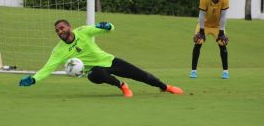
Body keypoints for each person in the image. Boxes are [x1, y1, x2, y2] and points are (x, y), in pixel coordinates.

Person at [19, 19, 183, 97]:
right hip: (94, 72)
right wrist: (34, 79)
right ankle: (122, 86)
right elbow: (48, 68)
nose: (60, 31)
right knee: (96, 74)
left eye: (61, 28)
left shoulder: (83, 31)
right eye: (57, 30)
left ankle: (165, 87)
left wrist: (107, 25)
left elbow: (108, 29)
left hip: (109, 61)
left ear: (69, 27)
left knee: (141, 75)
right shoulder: (58, 51)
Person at [190, 0, 229, 79]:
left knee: (222, 43)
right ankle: (193, 71)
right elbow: (201, 16)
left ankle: (225, 72)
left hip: (217, 26)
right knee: (198, 42)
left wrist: (221, 31)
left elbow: (223, 16)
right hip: (204, 24)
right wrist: (202, 31)